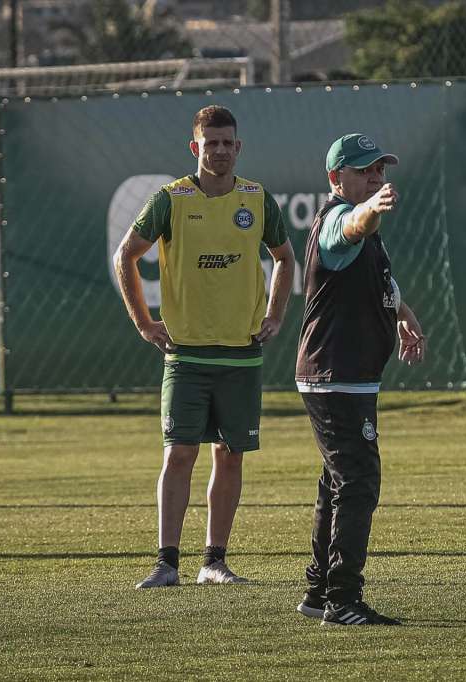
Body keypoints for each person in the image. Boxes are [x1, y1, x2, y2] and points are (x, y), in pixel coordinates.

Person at [113, 105, 294, 588]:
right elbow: (125, 256)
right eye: (210, 143)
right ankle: (166, 563)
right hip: (187, 355)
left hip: (241, 353)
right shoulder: (170, 199)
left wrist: (275, 315)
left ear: (239, 147)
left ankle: (214, 562)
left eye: (227, 142)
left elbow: (284, 257)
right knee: (179, 454)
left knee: (230, 455)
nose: (219, 151)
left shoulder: (257, 199)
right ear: (195, 147)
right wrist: (144, 322)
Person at [294, 133, 426, 625]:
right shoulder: (336, 218)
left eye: (379, 170)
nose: (376, 177)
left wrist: (402, 313)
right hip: (336, 376)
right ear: (336, 178)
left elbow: (380, 281)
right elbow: (350, 228)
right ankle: (342, 599)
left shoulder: (362, 226)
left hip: (344, 376)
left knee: (337, 483)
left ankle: (319, 591)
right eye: (364, 170)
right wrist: (370, 208)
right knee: (358, 483)